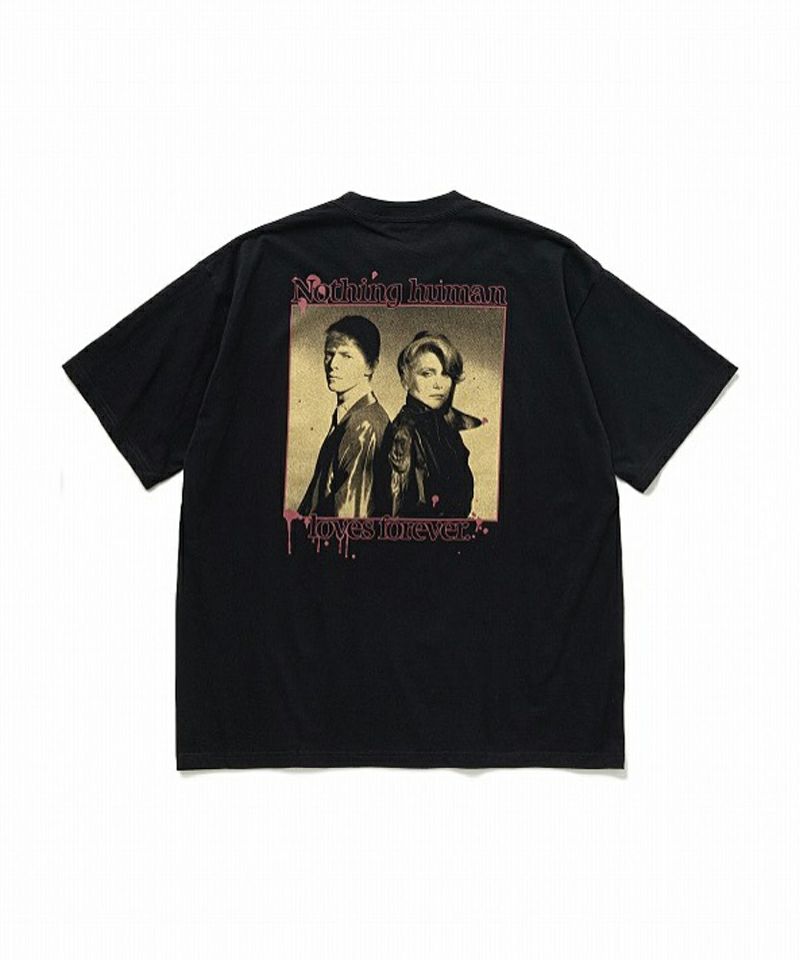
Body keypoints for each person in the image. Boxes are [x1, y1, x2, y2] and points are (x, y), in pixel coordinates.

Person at [376, 330, 483, 518]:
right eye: (427, 374)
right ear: (406, 379)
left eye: (446, 374)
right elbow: (396, 517)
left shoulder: (446, 429)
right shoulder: (403, 435)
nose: (439, 384)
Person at [298, 315, 390, 517]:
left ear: (370, 366)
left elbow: (349, 521)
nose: (333, 364)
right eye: (329, 354)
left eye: (346, 356)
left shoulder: (363, 425)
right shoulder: (353, 417)